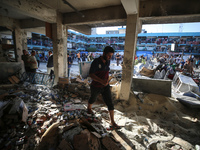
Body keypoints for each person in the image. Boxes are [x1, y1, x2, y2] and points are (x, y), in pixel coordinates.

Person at [87, 46, 120, 129]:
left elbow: (106, 72)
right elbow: (91, 75)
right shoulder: (96, 62)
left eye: (111, 56)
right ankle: (89, 108)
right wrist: (101, 81)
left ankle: (112, 121)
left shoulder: (108, 62)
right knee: (93, 98)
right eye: (109, 55)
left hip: (105, 86)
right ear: (104, 53)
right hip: (96, 86)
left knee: (110, 102)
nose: (110, 57)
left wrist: (106, 80)